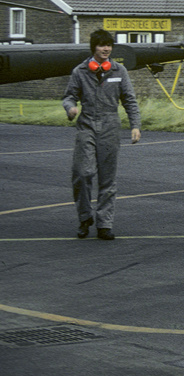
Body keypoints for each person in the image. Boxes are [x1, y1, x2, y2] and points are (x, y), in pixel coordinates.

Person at [62, 29, 141, 240]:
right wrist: (70, 109)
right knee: (82, 173)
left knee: (108, 178)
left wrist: (135, 125)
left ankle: (105, 224)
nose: (106, 49)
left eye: (109, 45)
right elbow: (69, 97)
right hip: (86, 124)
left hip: (110, 126)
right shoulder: (79, 71)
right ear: (93, 48)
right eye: (101, 45)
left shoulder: (119, 70)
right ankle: (85, 217)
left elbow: (130, 101)